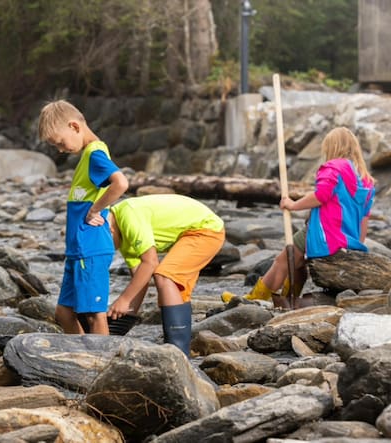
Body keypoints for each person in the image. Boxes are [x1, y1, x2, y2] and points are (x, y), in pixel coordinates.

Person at [221, 126, 375, 308]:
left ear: (333, 147)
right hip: (346, 238)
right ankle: (287, 298)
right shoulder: (366, 180)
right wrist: (357, 247)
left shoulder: (334, 167)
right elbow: (364, 219)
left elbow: (321, 195)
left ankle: (253, 299)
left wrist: (292, 205)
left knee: (283, 260)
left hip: (324, 232)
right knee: (297, 262)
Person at [38, 100, 129, 335]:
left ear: (74, 127)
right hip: (77, 250)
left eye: (59, 142)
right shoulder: (88, 155)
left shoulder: (95, 154)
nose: (59, 149)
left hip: (90, 248)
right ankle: (80, 360)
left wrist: (96, 209)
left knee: (93, 313)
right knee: (64, 313)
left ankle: (99, 362)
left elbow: (121, 183)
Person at [105, 195, 226, 355]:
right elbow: (140, 281)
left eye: (105, 244)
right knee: (174, 289)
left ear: (109, 230)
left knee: (165, 276)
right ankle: (181, 351)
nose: (107, 250)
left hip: (206, 229)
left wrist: (124, 300)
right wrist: (114, 326)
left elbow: (151, 262)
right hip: (192, 232)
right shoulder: (123, 239)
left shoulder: (128, 215)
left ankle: (177, 351)